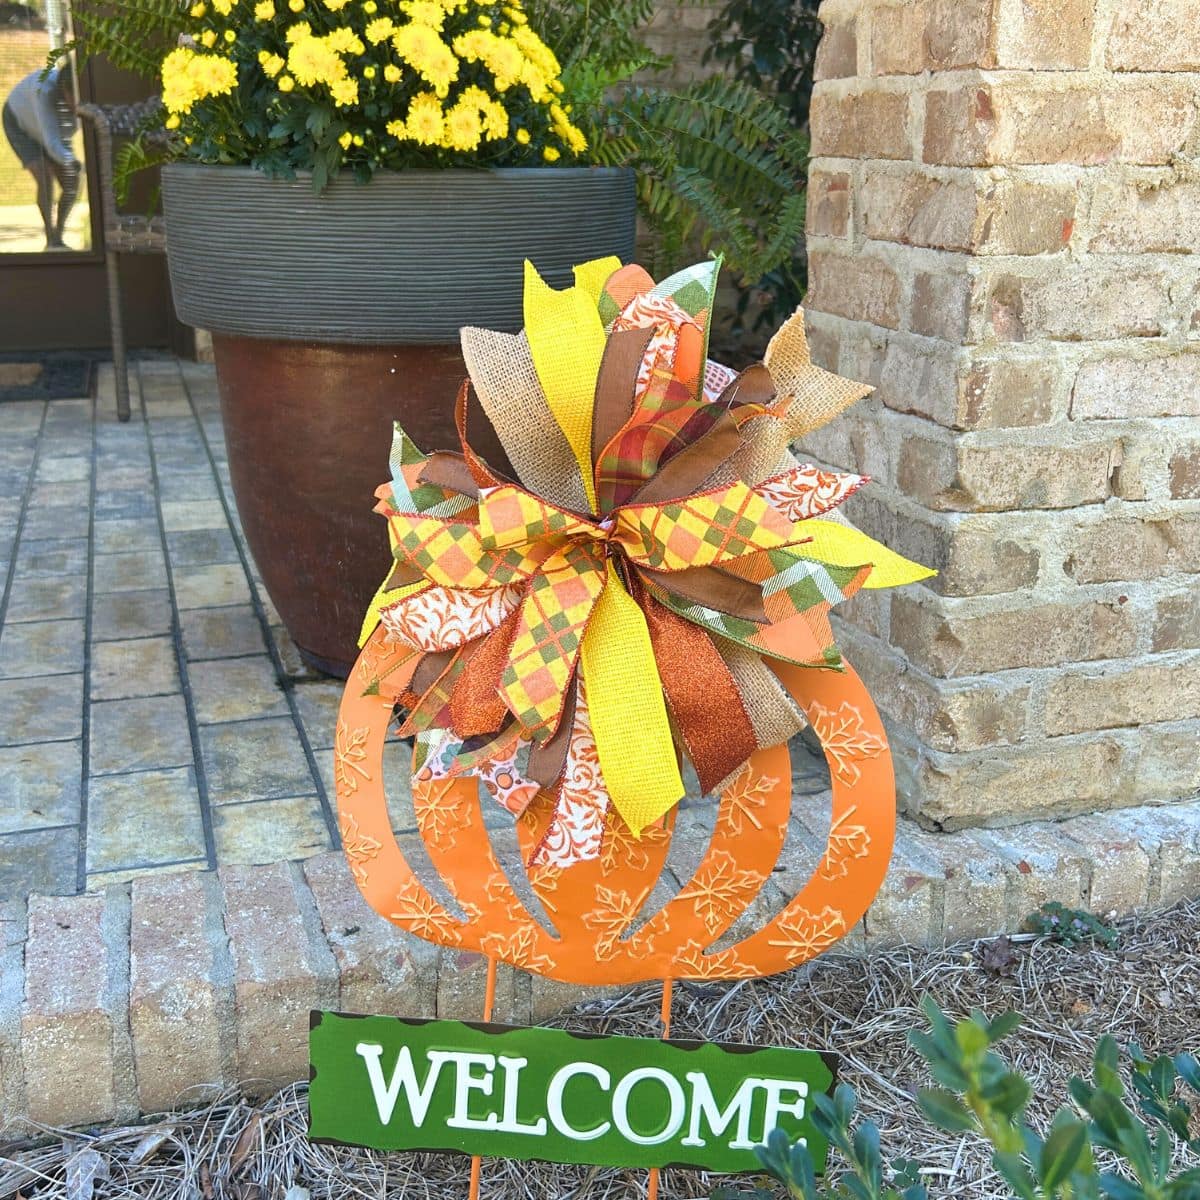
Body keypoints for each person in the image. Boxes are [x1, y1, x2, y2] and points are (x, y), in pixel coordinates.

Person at [2, 62, 81, 250]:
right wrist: (72, 162)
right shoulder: (43, 90)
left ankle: (59, 236)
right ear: (64, 90)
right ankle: (50, 240)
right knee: (45, 178)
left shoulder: (78, 98)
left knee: (72, 182)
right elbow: (51, 141)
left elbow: (62, 137)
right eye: (75, 100)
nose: (78, 106)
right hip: (18, 123)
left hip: (48, 131)